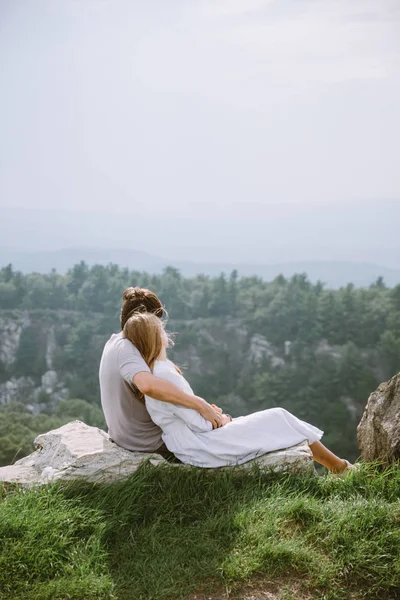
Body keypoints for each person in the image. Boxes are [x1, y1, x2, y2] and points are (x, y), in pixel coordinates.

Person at [123, 311, 357, 474]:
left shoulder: (156, 371)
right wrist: (221, 419)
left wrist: (207, 411)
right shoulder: (165, 374)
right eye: (161, 329)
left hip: (189, 441)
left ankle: (338, 467)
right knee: (278, 416)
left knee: (278, 418)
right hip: (201, 446)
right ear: (157, 337)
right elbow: (199, 425)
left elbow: (186, 413)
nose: (166, 333)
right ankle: (339, 468)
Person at [99, 287, 222, 459]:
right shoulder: (126, 348)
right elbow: (147, 385)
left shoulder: (115, 341)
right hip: (147, 442)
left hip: (130, 437)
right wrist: (200, 405)